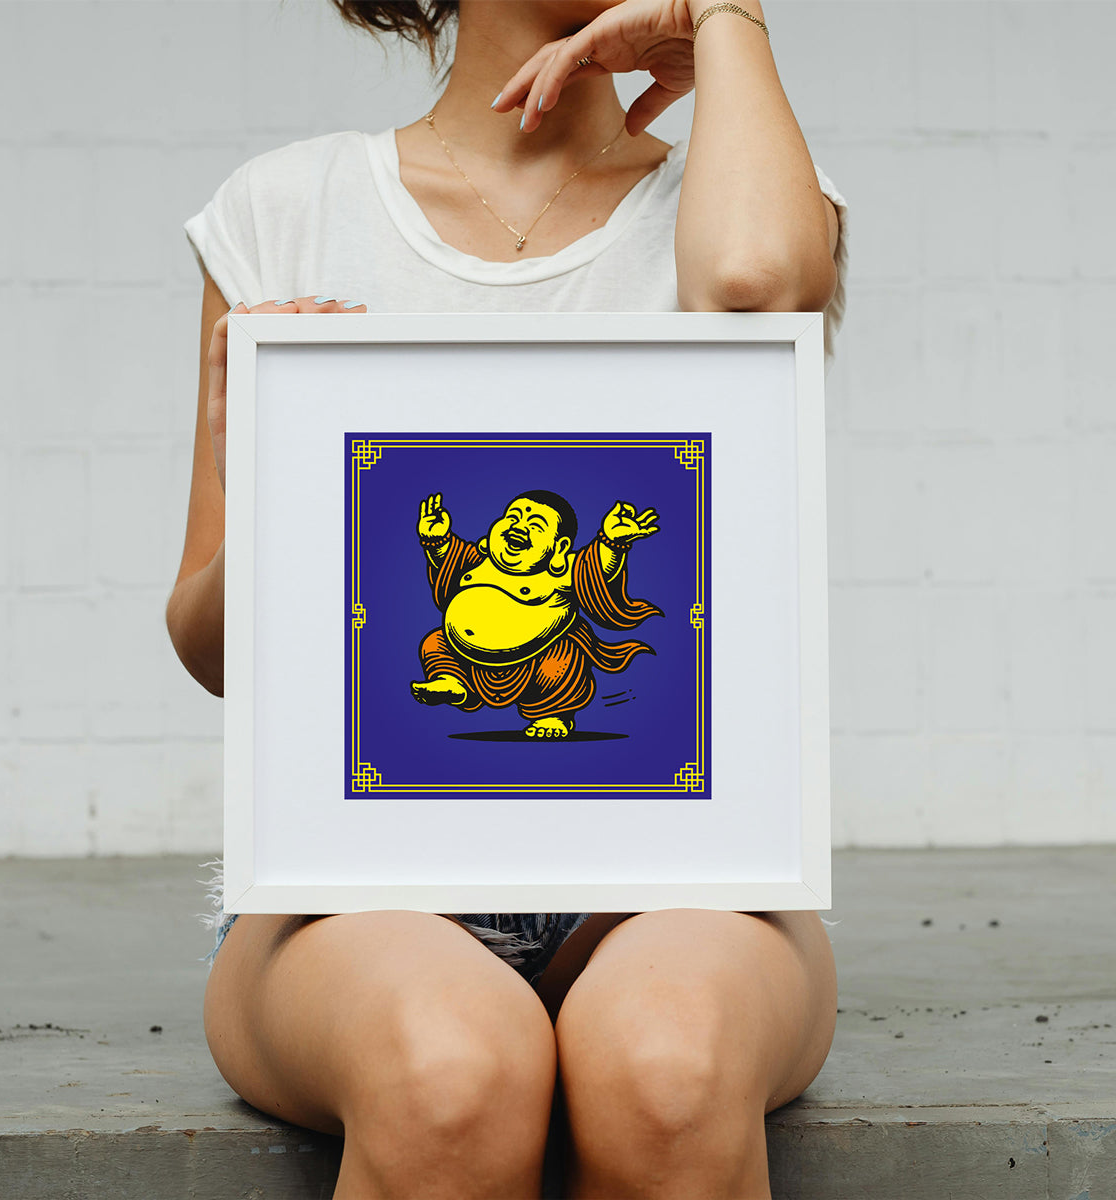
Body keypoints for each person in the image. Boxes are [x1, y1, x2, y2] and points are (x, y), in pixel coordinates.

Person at [167, 1, 847, 1196]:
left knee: (668, 1070)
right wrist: (269, 477)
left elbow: (753, 287)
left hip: (681, 879)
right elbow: (211, 646)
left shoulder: (748, 193)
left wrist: (724, 16)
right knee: (449, 1072)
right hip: (350, 896)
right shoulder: (284, 208)